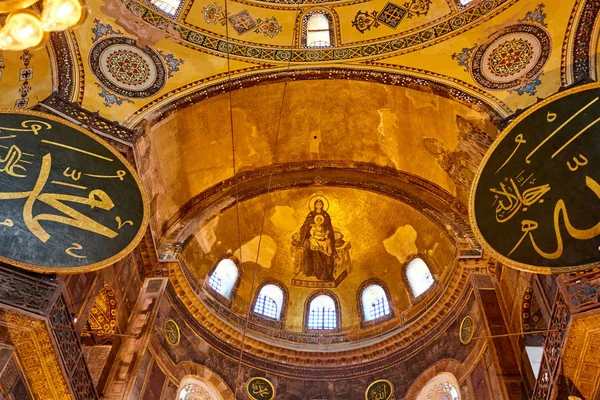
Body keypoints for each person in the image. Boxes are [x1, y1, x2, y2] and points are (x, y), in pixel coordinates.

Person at [299, 199, 337, 281]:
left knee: (327, 245)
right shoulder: (310, 215)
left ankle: (325, 272)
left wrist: (327, 232)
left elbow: (329, 227)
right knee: (308, 245)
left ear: (323, 205)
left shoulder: (326, 215)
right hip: (313, 237)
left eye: (320, 203)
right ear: (315, 205)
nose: (319, 205)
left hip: (323, 237)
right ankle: (310, 270)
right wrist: (311, 226)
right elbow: (305, 226)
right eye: (317, 204)